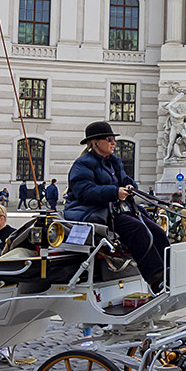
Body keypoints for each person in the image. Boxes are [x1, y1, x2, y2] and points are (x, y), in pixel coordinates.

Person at [63, 120, 167, 292]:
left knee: (156, 230)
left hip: (115, 210)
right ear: (95, 143)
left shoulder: (114, 162)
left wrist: (129, 186)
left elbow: (124, 179)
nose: (113, 143)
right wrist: (114, 192)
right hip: (92, 212)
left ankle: (170, 271)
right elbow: (85, 192)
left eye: (114, 139)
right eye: (109, 139)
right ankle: (156, 278)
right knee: (137, 229)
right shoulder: (82, 164)